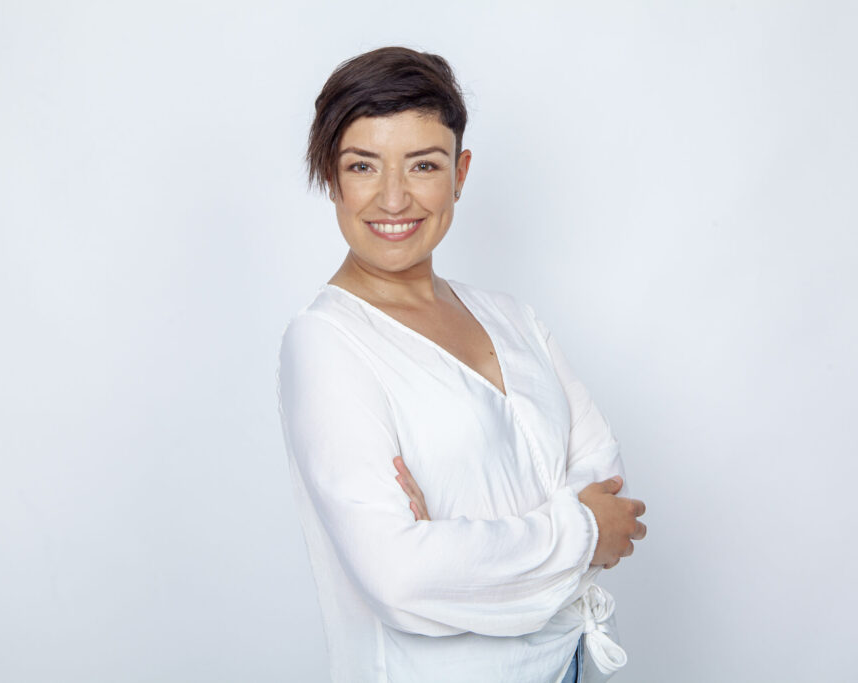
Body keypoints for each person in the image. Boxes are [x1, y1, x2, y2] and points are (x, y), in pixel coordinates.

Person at [276, 46, 647, 683]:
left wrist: (458, 545)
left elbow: (607, 481)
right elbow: (401, 577)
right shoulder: (326, 342)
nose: (394, 198)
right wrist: (579, 533)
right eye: (363, 166)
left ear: (460, 173)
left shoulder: (512, 318)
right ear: (332, 179)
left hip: (571, 661)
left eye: (423, 164)